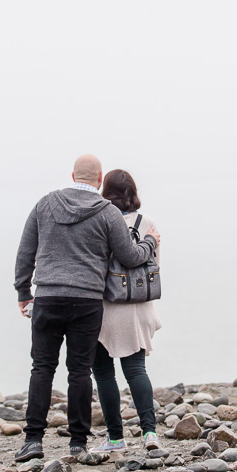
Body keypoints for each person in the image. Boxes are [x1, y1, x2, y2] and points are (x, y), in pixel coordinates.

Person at [13, 154, 160, 462]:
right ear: (98, 178)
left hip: (49, 297)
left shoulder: (45, 204)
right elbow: (131, 256)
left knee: (42, 369)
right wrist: (149, 242)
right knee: (79, 371)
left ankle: (33, 441)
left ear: (72, 175)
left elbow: (26, 250)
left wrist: (24, 291)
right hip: (87, 301)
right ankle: (77, 444)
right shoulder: (106, 212)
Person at [90, 170, 163, 452]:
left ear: (104, 191)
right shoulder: (149, 223)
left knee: (104, 374)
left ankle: (116, 438)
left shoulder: (99, 221)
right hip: (139, 307)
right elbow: (154, 265)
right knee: (136, 370)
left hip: (106, 307)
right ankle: (150, 434)